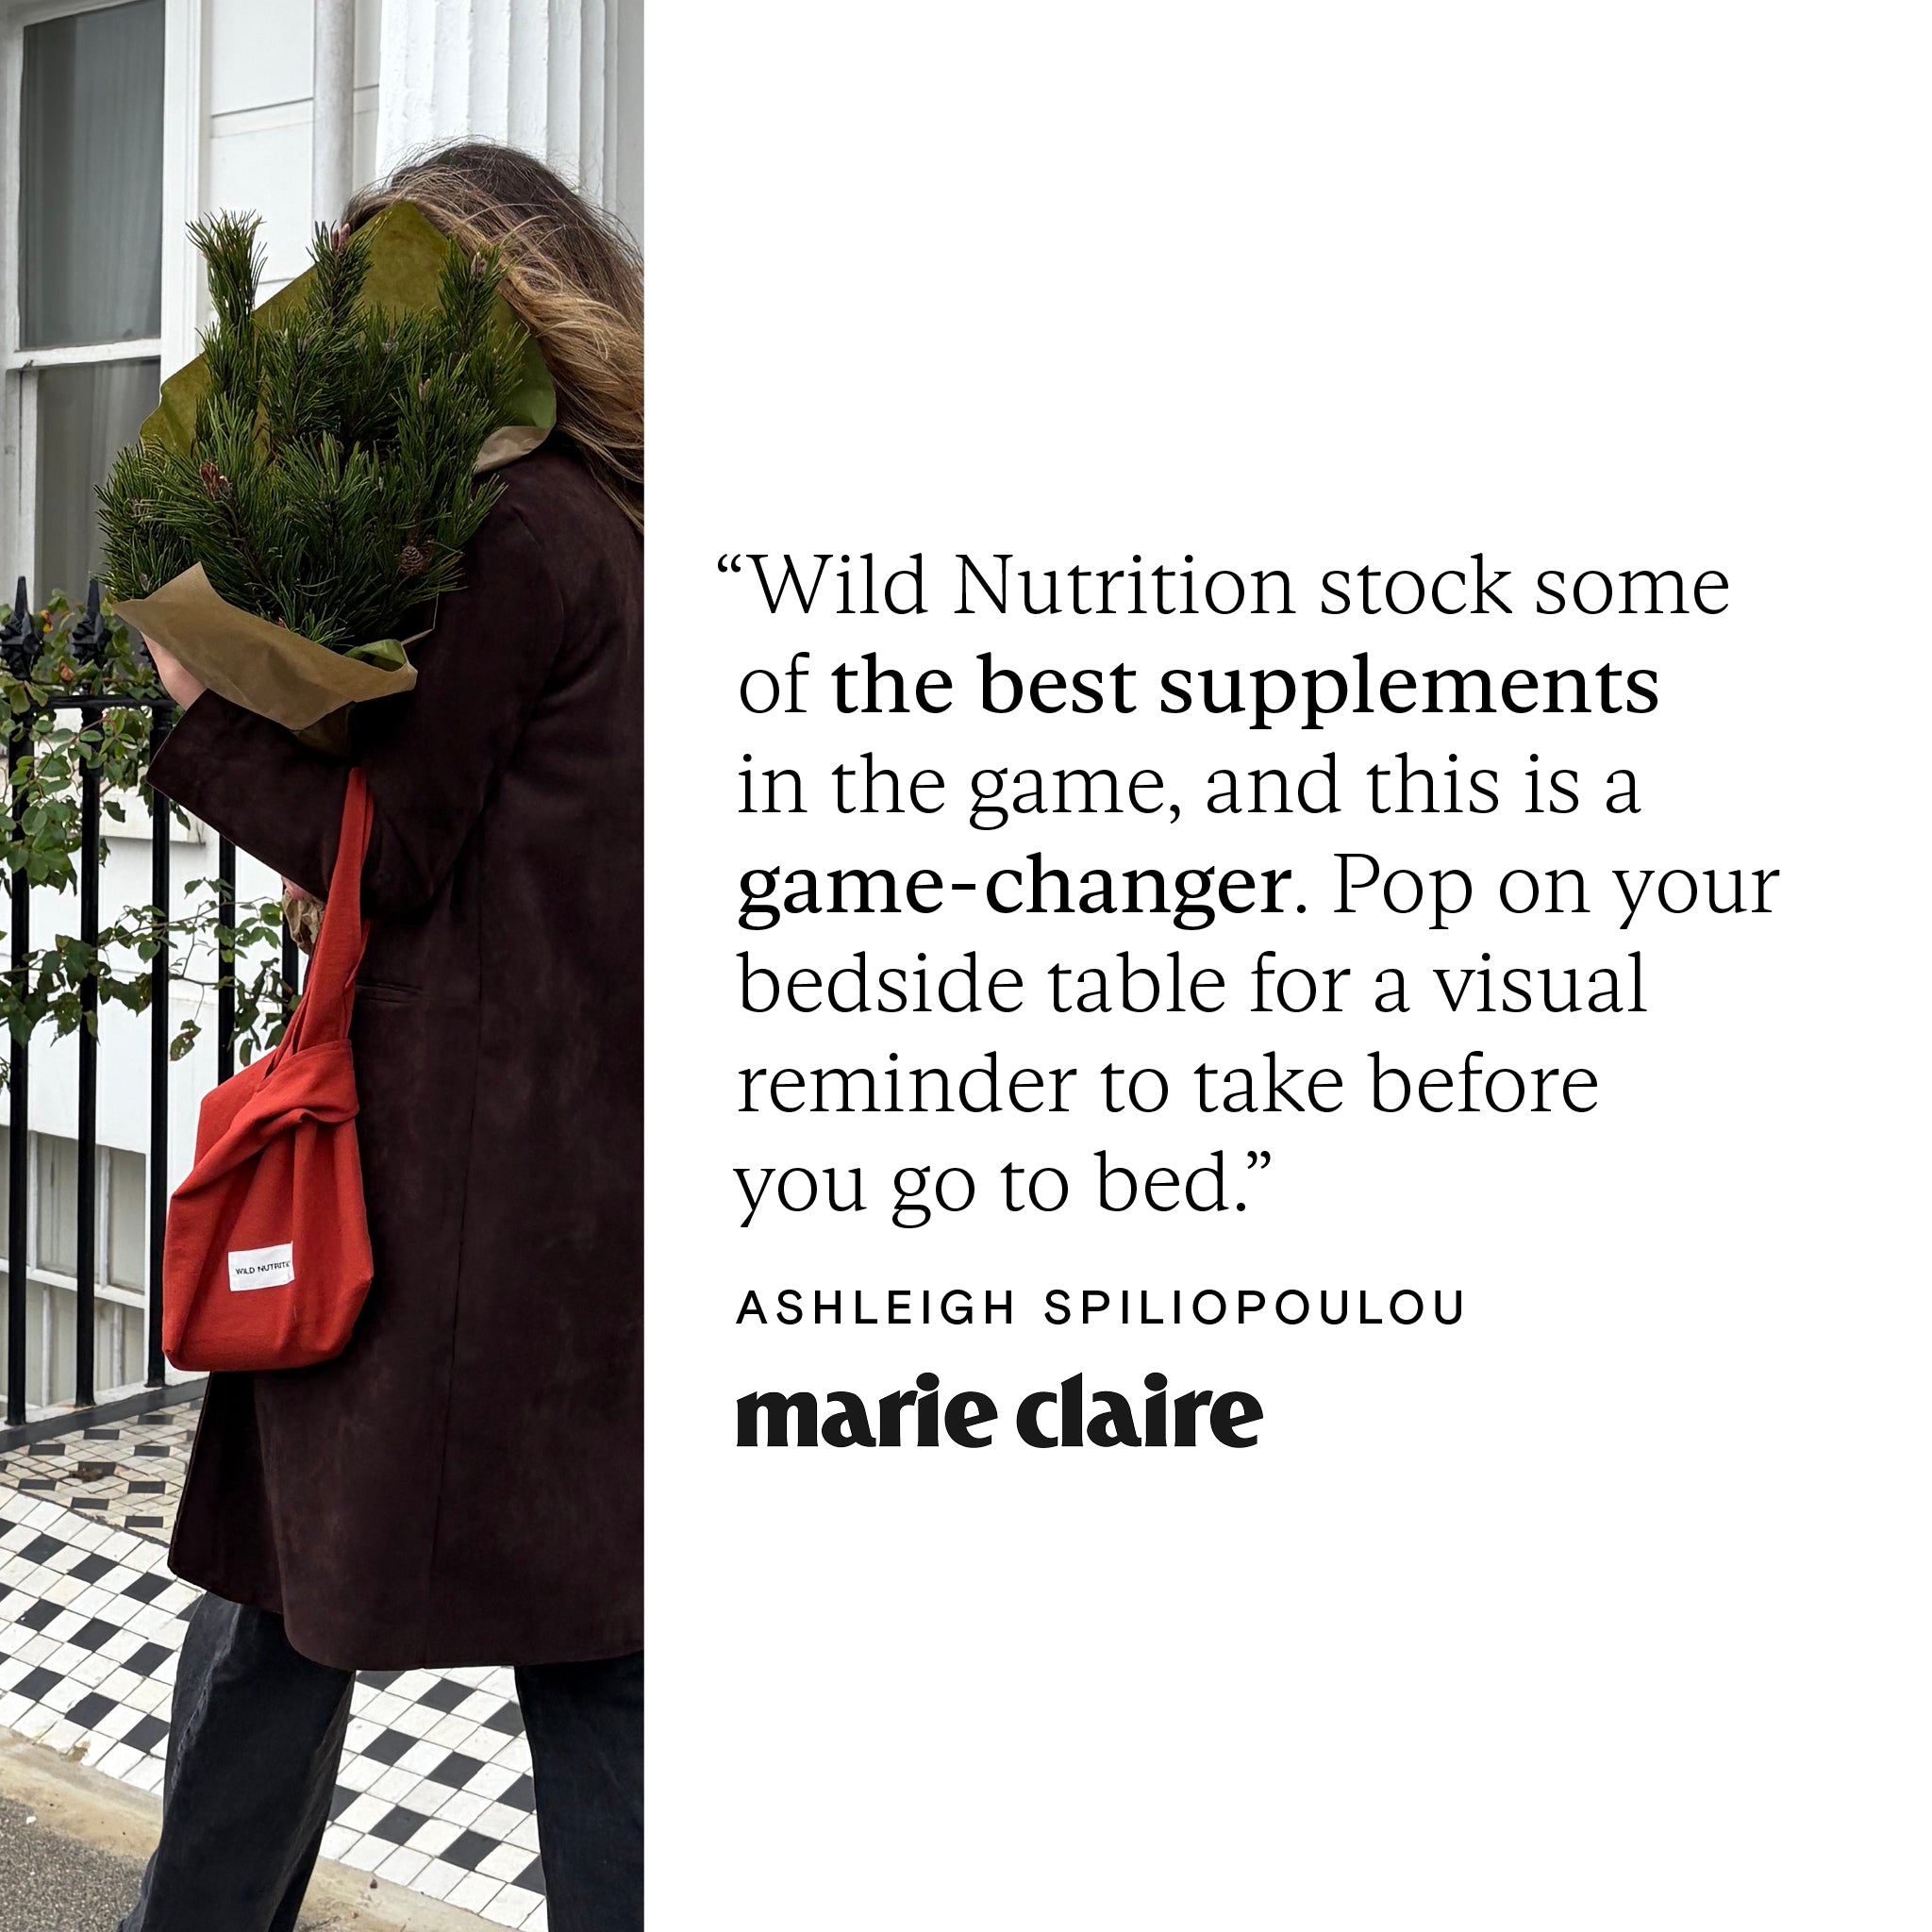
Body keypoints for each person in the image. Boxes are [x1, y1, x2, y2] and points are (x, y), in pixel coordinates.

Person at [115, 143, 641, 1932]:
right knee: (593, 1643)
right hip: (577, 1174)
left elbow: (387, 848)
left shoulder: (522, 533)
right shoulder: (624, 526)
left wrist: (197, 710)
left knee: (279, 1610)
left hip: (435, 1175)